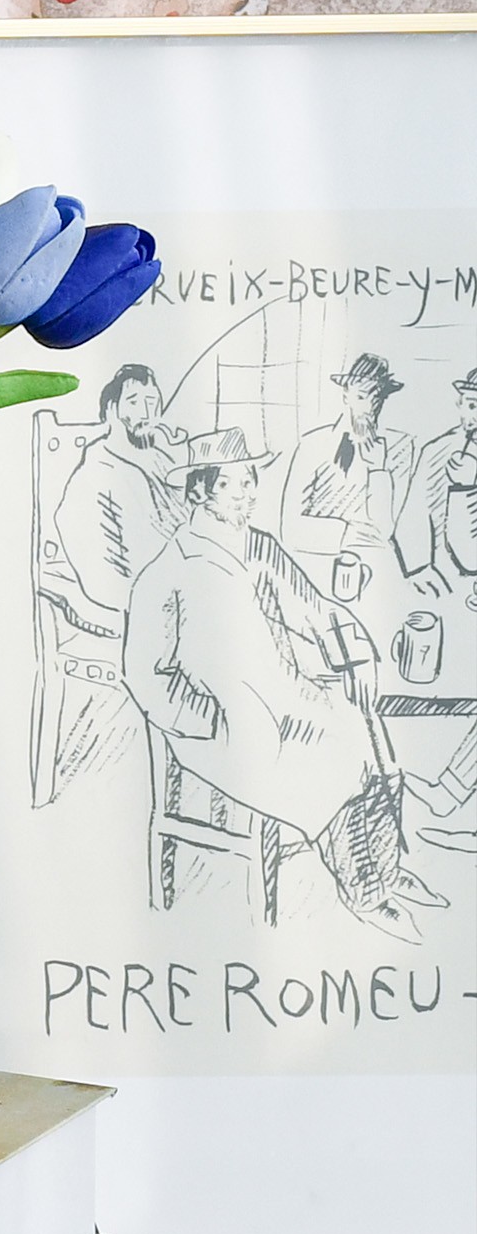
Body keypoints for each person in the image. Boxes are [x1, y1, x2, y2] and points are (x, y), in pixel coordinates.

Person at [124, 429, 444, 942]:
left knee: (373, 738)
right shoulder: (169, 570)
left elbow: (317, 609)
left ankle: (386, 869)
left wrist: (357, 655)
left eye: (250, 481)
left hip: (287, 699)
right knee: (336, 760)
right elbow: (146, 674)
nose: (247, 494)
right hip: (221, 727)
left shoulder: (258, 547)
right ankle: (366, 891)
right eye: (232, 484)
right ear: (200, 491)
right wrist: (209, 720)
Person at [54, 364, 186, 619]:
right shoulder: (98, 470)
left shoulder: (161, 458)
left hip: (178, 582)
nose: (146, 412)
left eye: (152, 401)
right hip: (138, 598)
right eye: (134, 402)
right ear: (111, 410)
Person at [281, 353, 415, 585]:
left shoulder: (400, 446)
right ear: (346, 394)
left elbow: (385, 529)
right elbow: (290, 529)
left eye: (377, 397)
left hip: (377, 575)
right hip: (314, 568)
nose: (369, 407)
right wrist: (354, 534)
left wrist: (378, 470)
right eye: (361, 396)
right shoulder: (313, 443)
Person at [394, 368, 477, 588]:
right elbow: (414, 512)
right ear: (460, 404)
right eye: (472, 406)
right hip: (448, 579)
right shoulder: (438, 451)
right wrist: (419, 568)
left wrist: (467, 488)